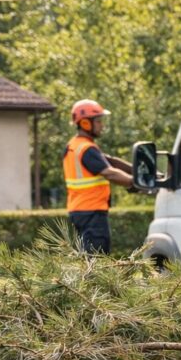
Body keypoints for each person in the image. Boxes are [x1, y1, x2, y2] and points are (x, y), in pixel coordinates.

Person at [62, 99, 134, 254]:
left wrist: (138, 171)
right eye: (99, 121)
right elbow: (110, 172)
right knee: (97, 258)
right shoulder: (86, 149)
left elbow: (111, 162)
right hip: (91, 212)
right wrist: (135, 182)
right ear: (86, 124)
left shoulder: (77, 145)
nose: (102, 125)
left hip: (81, 210)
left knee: (89, 257)